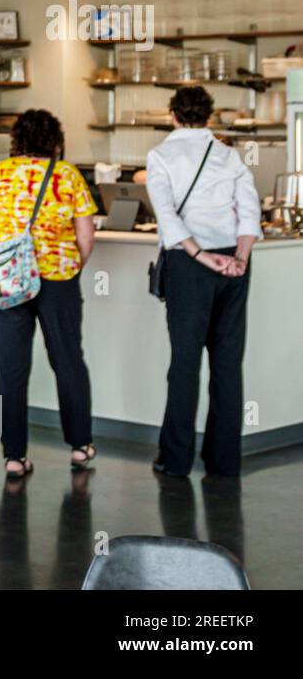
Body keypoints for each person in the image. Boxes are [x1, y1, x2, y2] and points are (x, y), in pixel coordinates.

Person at [0, 109, 97, 478]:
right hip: (58, 280)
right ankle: (79, 445)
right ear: (55, 141)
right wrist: (71, 267)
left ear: (16, 141)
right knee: (68, 360)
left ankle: (13, 456)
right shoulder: (67, 175)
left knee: (10, 369)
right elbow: (86, 236)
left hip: (8, 281)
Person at [146, 86, 261, 478]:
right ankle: (224, 460)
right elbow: (250, 212)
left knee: (184, 363)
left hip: (190, 265)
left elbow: (166, 216)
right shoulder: (229, 155)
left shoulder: (160, 156)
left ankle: (175, 460)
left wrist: (199, 255)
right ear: (209, 117)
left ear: (173, 115)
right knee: (228, 365)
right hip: (233, 264)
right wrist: (240, 258)